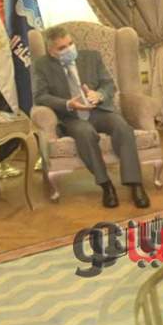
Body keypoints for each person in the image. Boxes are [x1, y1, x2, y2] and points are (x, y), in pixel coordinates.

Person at [33, 25, 150, 209]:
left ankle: (135, 184)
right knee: (85, 133)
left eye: (70, 44)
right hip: (71, 117)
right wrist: (68, 104)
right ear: (51, 51)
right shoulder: (41, 65)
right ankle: (106, 185)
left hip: (99, 111)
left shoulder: (92, 57)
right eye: (62, 48)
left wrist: (99, 94)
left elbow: (109, 84)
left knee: (123, 128)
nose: (69, 49)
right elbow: (40, 96)